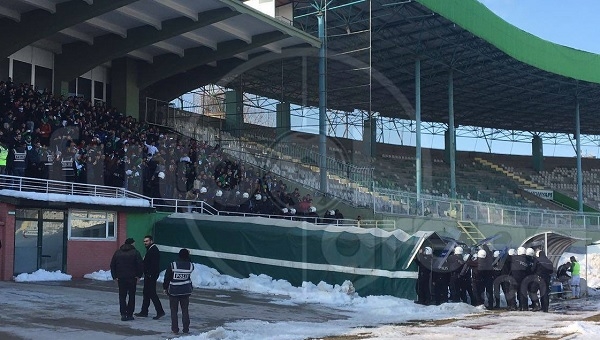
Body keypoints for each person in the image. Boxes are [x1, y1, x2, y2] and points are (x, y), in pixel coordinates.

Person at [110, 237, 143, 321]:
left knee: (122, 296)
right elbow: (140, 265)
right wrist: (139, 275)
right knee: (131, 296)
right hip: (132, 278)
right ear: (132, 243)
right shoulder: (135, 252)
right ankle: (130, 314)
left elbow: (112, 265)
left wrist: (115, 276)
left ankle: (123, 314)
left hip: (121, 278)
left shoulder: (118, 252)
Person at [163, 248, 195, 335]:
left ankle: (175, 329)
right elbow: (190, 264)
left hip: (174, 291)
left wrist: (165, 288)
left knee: (174, 311)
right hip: (186, 291)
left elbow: (167, 277)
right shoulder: (190, 265)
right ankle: (186, 329)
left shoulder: (173, 265)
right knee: (185, 310)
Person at [134, 235, 166, 319]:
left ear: (151, 241)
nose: (145, 243)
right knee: (146, 293)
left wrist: (150, 273)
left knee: (152, 293)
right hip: (149, 275)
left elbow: (154, 264)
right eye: (144, 241)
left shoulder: (154, 250)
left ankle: (160, 311)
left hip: (151, 275)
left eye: (147, 241)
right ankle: (144, 311)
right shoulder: (150, 249)